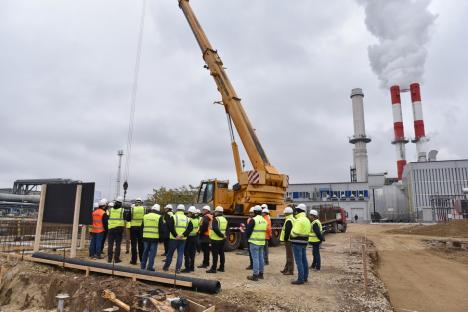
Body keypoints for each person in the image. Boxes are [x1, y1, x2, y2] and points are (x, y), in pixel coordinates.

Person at [163, 204, 193, 273]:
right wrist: (183, 235)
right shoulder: (187, 219)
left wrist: (176, 235)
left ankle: (166, 267)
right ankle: (178, 269)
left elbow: (170, 227)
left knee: (170, 254)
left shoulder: (173, 217)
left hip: (174, 239)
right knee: (180, 254)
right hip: (182, 240)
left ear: (177, 210)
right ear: (184, 210)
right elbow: (190, 228)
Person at [289, 203, 311, 285]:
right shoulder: (307, 219)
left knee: (299, 262)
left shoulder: (298, 220)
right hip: (304, 242)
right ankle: (305, 277)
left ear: (298, 211)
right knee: (304, 260)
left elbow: (295, 232)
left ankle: (300, 279)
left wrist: (291, 234)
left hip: (297, 243)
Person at [246, 205, 267, 281]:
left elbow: (248, 231)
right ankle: (261, 274)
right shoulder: (264, 220)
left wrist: (247, 237)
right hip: (261, 242)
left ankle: (255, 275)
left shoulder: (253, 220)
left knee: (255, 258)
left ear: (254, 212)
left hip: (254, 241)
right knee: (261, 258)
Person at [141, 204, 163, 271]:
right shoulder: (159, 217)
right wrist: (161, 239)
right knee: (152, 253)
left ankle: (143, 266)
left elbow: (142, 227)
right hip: (154, 237)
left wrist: (142, 236)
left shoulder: (145, 216)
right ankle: (150, 267)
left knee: (145, 252)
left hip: (145, 237)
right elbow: (161, 228)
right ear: (158, 210)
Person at [206, 206, 227, 273]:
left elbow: (215, 229)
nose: (214, 213)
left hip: (215, 239)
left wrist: (220, 235)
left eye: (215, 211)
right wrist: (223, 236)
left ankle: (213, 268)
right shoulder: (225, 219)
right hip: (222, 240)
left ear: (217, 212)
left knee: (215, 254)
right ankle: (222, 267)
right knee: (221, 254)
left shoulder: (216, 219)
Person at [127, 198, 145, 265]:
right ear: (141, 202)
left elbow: (128, 218)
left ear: (135, 202)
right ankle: (142, 260)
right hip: (141, 228)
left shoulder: (132, 209)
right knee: (141, 245)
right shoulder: (144, 209)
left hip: (133, 228)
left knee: (133, 245)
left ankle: (134, 260)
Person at [107, 197, 125, 263]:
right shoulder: (122, 210)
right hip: (119, 229)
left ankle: (109, 259)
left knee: (110, 245)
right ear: (121, 203)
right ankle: (116, 259)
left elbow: (107, 218)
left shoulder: (110, 210)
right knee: (118, 245)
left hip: (111, 229)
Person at [182, 206, 199, 273]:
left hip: (188, 238)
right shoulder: (197, 220)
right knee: (192, 253)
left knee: (187, 253)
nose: (188, 214)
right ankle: (192, 267)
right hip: (194, 237)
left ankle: (187, 268)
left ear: (191, 213)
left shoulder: (189, 220)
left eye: (189, 212)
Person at [280, 206, 295, 275]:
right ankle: (286, 269)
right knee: (289, 255)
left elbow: (287, 231)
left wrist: (285, 239)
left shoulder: (289, 220)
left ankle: (290, 270)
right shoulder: (293, 219)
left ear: (286, 213)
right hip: (291, 239)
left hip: (288, 240)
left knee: (289, 256)